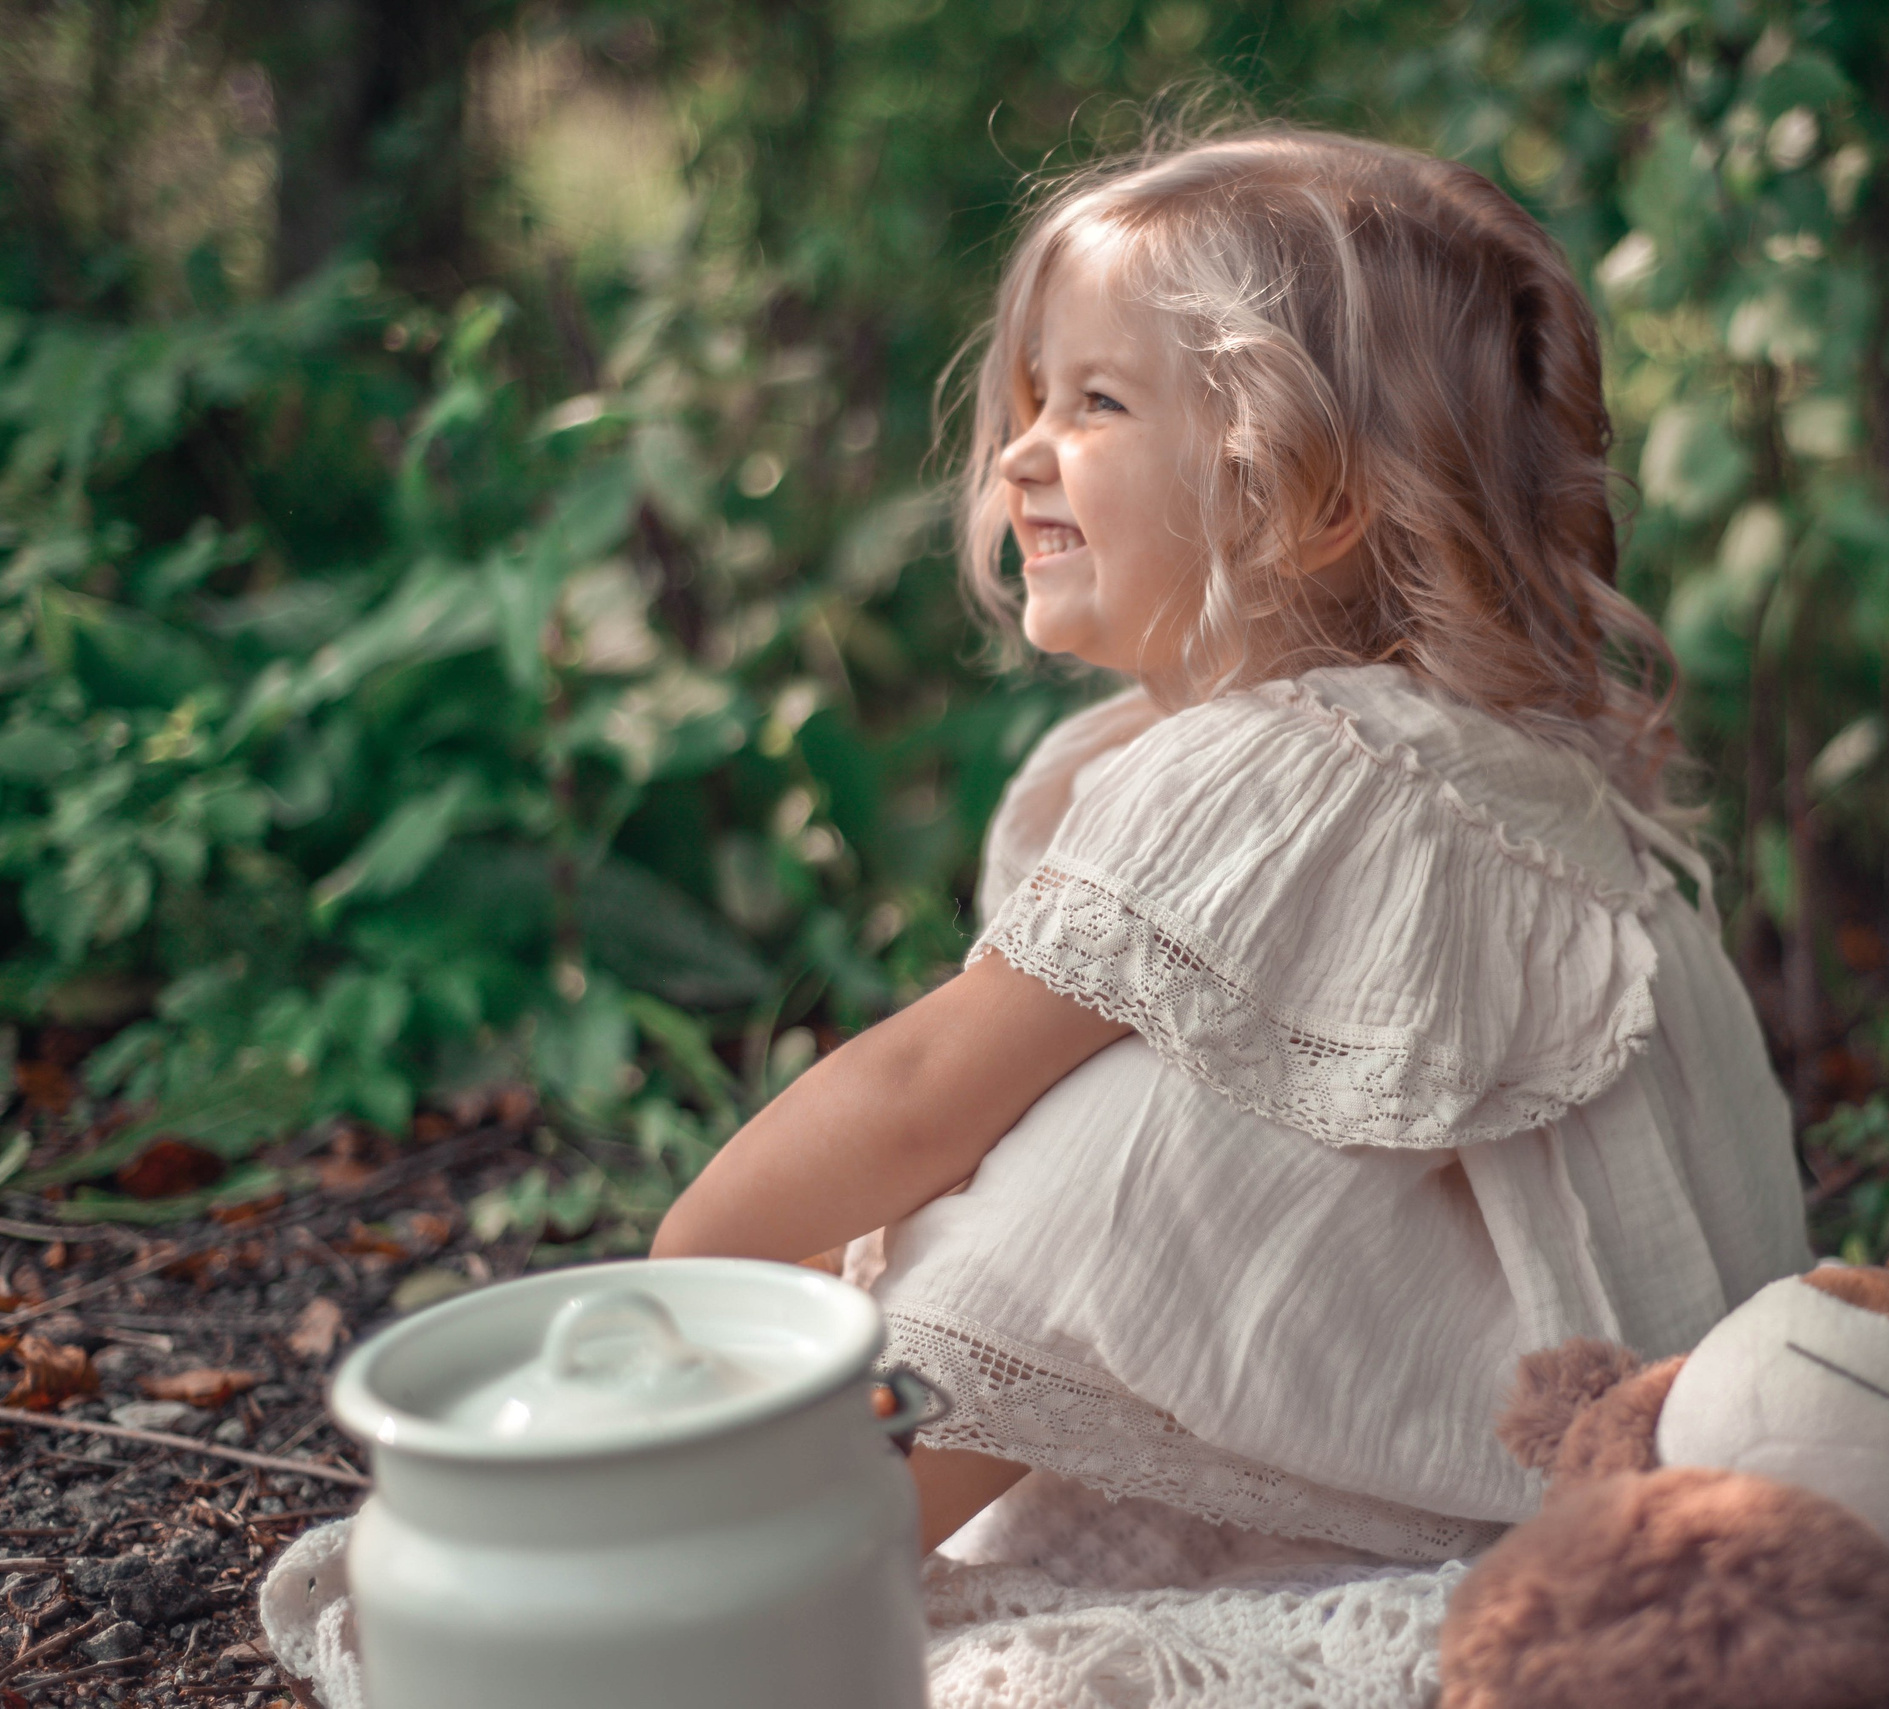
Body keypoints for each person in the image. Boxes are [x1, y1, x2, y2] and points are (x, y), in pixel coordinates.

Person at [651, 124, 1811, 1562]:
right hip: (1567, 1421)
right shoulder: (1437, 760)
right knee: (1115, 1101)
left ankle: (776, 1559)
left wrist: (688, 1275)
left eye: (1094, 403)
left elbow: (921, 1094)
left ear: (1312, 497)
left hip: (1528, 1444)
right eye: (1029, 397)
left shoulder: (1295, 768)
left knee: (1097, 1144)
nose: (1020, 450)